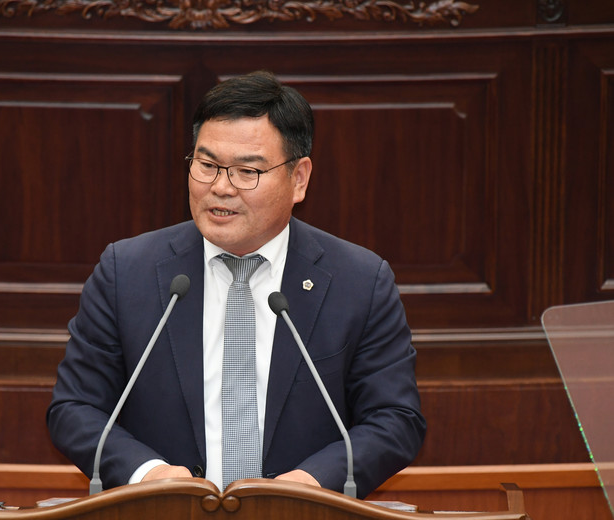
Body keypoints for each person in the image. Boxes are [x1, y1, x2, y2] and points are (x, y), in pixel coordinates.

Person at [46, 70, 426, 498]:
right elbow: (74, 409)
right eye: (206, 165)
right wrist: (149, 475)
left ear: (299, 179)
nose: (221, 188)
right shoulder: (126, 272)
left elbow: (395, 419)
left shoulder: (359, 281)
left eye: (247, 171)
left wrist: (313, 482)